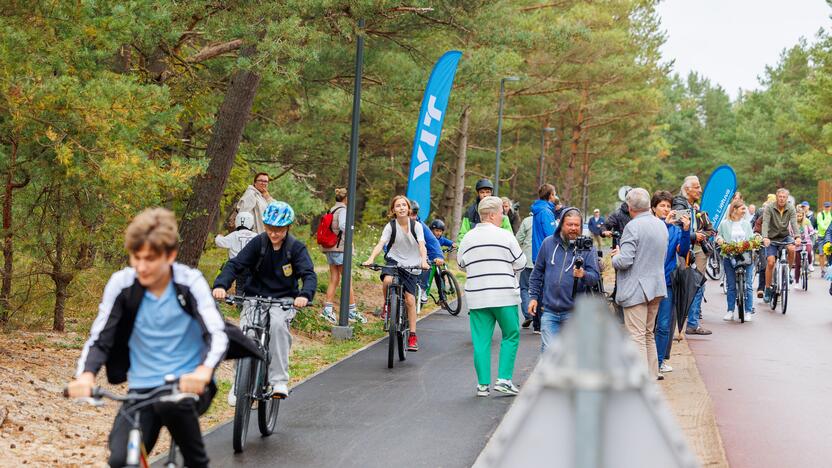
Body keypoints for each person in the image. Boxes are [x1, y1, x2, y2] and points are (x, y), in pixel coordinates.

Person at [68, 208, 253, 468]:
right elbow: (100, 337)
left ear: (170, 255)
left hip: (189, 384)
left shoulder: (189, 282)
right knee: (121, 460)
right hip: (142, 389)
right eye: (136, 257)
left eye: (151, 259)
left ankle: (197, 462)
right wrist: (86, 375)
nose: (141, 267)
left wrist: (203, 371)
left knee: (172, 407)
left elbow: (217, 333)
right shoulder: (122, 284)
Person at [213, 201, 317, 400]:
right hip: (255, 297)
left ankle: (279, 381)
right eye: (270, 228)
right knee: (246, 333)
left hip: (284, 300)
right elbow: (235, 264)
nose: (274, 234)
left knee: (278, 327)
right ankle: (238, 384)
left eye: (278, 230)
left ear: (287, 227)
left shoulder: (295, 248)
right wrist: (220, 285)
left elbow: (309, 275)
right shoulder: (258, 243)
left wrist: (304, 295)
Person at [458, 196, 527, 397]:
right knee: (511, 335)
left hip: (478, 297)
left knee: (481, 341)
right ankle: (504, 379)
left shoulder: (468, 237)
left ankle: (482, 385)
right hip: (504, 294)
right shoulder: (505, 236)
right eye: (501, 213)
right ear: (494, 214)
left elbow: (461, 264)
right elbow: (521, 263)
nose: (502, 216)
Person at [612, 188, 668, 380]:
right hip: (657, 285)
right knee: (647, 334)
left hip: (636, 287)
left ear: (629, 207)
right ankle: (652, 374)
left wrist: (615, 257)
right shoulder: (661, 225)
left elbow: (625, 261)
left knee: (635, 335)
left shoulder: (632, 227)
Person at [528, 208, 600, 352]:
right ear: (561, 224)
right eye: (569, 224)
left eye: (576, 225)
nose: (573, 228)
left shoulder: (588, 248)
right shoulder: (548, 244)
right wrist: (534, 297)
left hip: (575, 312)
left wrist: (583, 274)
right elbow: (537, 273)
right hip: (549, 310)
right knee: (549, 352)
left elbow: (594, 278)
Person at [364, 196, 429, 351]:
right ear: (393, 210)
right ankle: (387, 305)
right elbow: (381, 244)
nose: (401, 208)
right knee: (387, 280)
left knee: (410, 300)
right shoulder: (390, 226)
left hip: (412, 263)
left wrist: (424, 261)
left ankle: (412, 335)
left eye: (404, 205)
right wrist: (371, 258)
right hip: (394, 260)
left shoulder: (417, 226)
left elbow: (422, 245)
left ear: (408, 209)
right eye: (397, 206)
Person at [651, 191, 690, 376]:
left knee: (664, 325)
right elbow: (656, 248)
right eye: (662, 206)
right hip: (649, 281)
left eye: (668, 206)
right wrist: (663, 226)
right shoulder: (650, 226)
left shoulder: (675, 228)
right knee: (647, 325)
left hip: (667, 281)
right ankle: (646, 361)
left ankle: (658, 362)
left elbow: (682, 251)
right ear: (653, 208)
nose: (666, 209)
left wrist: (686, 230)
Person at [672, 175, 715, 336]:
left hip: (697, 251)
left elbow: (710, 229)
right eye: (696, 187)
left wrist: (701, 234)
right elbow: (677, 229)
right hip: (683, 251)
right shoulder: (680, 204)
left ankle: (691, 322)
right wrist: (694, 236)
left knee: (698, 284)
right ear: (687, 189)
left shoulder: (696, 208)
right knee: (690, 285)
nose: (700, 189)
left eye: (700, 186)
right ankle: (689, 323)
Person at [320, 188, 363, 324]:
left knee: (334, 278)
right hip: (340, 249)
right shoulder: (343, 210)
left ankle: (328, 309)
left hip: (331, 248)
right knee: (347, 280)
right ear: (346, 199)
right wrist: (351, 229)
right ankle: (352, 311)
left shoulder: (332, 209)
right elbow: (344, 226)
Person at [716, 200, 756, 322]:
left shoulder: (746, 224)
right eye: (742, 209)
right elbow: (719, 235)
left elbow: (751, 238)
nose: (745, 211)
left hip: (746, 256)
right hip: (730, 255)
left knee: (748, 284)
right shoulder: (724, 224)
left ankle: (748, 311)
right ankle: (730, 311)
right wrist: (719, 240)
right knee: (731, 285)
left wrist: (753, 243)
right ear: (734, 210)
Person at [761, 188, 801, 302]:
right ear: (777, 197)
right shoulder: (769, 207)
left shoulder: (791, 208)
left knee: (792, 248)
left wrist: (797, 236)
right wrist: (765, 237)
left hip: (784, 236)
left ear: (787, 198)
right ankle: (768, 289)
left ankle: (787, 272)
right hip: (771, 238)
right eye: (780, 196)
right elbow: (765, 223)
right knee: (770, 262)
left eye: (784, 197)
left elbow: (794, 223)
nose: (782, 198)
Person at [529, 183, 558, 334]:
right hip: (546, 254)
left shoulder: (538, 209)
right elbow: (552, 235)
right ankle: (540, 323)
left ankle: (537, 323)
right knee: (544, 289)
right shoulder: (546, 212)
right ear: (550, 196)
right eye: (554, 194)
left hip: (537, 252)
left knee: (539, 287)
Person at [409, 200, 444, 304]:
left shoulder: (420, 226)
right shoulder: (396, 224)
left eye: (414, 214)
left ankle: (422, 289)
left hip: (417, 254)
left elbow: (432, 241)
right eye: (409, 214)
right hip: (401, 255)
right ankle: (388, 307)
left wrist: (438, 256)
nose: (411, 217)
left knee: (426, 263)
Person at [215, 211, 258, 296]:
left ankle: (238, 300)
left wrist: (218, 237)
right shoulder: (255, 235)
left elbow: (220, 242)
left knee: (239, 284)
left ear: (237, 221)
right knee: (248, 284)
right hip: (251, 266)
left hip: (237, 266)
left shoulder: (234, 235)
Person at [515, 212, 534, 329]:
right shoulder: (550, 220)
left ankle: (528, 314)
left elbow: (518, 239)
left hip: (528, 259)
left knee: (525, 288)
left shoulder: (527, 221)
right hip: (545, 261)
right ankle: (541, 315)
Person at [793, 209, 815, 282]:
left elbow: (811, 230)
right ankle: (797, 281)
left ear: (803, 216)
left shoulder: (807, 221)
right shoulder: (793, 222)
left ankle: (810, 264)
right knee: (797, 264)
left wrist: (812, 232)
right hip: (797, 243)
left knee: (808, 251)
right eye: (797, 216)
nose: (799, 217)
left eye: (800, 216)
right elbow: (790, 231)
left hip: (806, 241)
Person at [817, 201, 832, 276]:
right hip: (821, 236)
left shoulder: (831, 214)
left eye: (828, 206)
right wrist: (828, 229)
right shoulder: (820, 214)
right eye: (826, 207)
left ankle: (829, 267)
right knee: (821, 253)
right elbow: (821, 224)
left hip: (829, 236)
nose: (827, 208)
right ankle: (822, 270)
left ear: (830, 207)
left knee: (829, 253)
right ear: (823, 207)